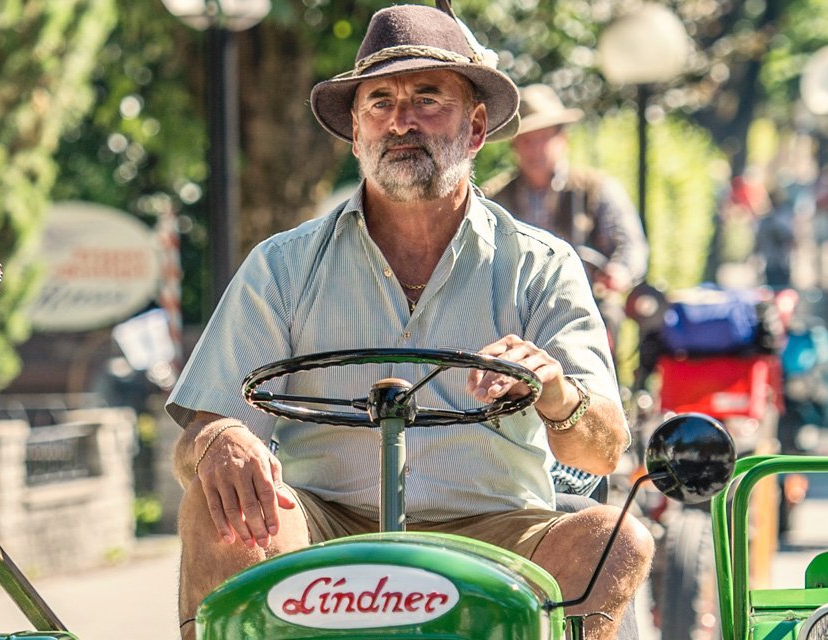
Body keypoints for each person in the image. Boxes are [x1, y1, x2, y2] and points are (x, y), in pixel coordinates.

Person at [165, 7, 646, 639]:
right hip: (326, 525)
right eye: (380, 102)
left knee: (616, 539)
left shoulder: (540, 265)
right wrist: (220, 440)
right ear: (355, 131)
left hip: (497, 531)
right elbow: (201, 433)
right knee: (215, 503)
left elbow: (603, 450)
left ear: (477, 127)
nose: (401, 121)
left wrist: (554, 392)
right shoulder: (283, 266)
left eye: (427, 98)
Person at [486, 84, 648, 339]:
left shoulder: (596, 189)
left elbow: (631, 245)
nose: (535, 148)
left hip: (586, 304)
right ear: (514, 146)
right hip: (514, 311)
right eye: (527, 140)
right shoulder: (494, 198)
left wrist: (619, 272)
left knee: (608, 316)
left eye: (543, 138)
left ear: (563, 140)